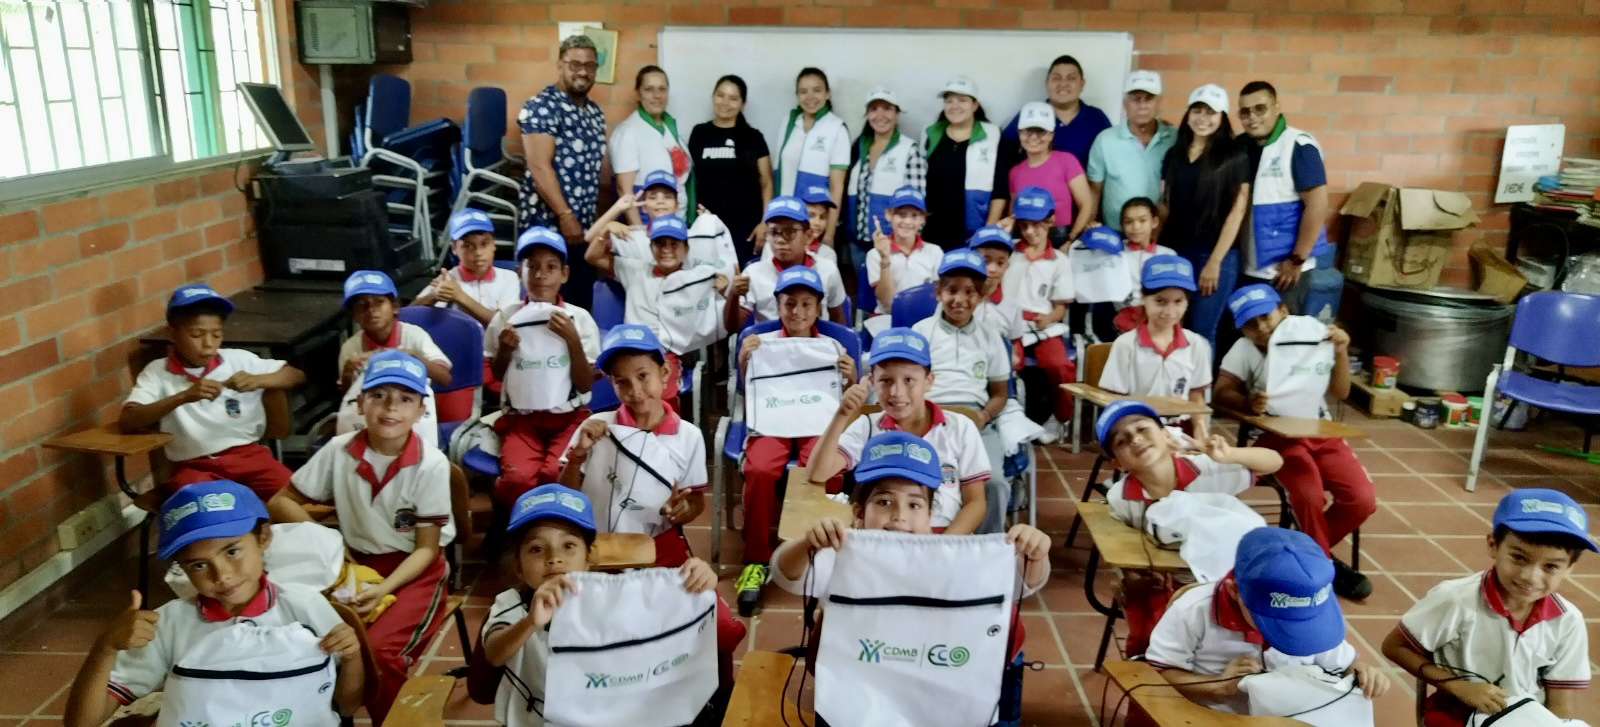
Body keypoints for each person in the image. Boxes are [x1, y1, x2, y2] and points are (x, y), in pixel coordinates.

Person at [64, 481, 363, 727]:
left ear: (264, 538)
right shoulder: (168, 624)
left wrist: (351, 657)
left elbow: (347, 705)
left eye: (232, 552)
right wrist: (105, 648)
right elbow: (81, 723)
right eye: (197, 565)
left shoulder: (305, 607)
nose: (221, 576)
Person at [270, 351, 455, 724]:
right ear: (360, 402)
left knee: (381, 655)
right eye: (379, 395)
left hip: (412, 573)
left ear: (422, 411)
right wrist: (327, 544)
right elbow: (281, 501)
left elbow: (426, 550)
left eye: (405, 399)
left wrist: (384, 586)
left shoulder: (431, 464)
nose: (391, 407)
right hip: (351, 565)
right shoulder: (339, 451)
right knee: (315, 647)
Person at [471, 485, 723, 726]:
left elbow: (667, 623)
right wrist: (529, 623)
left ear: (588, 558)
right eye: (536, 549)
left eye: (568, 546)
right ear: (518, 566)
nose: (553, 558)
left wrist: (698, 583)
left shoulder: (611, 599)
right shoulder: (512, 605)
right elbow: (493, 654)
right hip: (536, 720)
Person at [1214, 284, 1376, 600]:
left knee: (1362, 498)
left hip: (1318, 429)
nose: (1261, 327)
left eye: (1266, 317)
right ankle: (1320, 571)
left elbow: (1341, 393)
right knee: (1309, 494)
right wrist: (1248, 402)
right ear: (1240, 329)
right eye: (1250, 323)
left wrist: (1340, 351)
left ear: (1284, 312)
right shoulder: (1244, 350)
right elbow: (1220, 394)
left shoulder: (1313, 336)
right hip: (1276, 436)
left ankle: (1304, 554)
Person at [1382, 488, 1593, 725]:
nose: (1530, 577)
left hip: (1526, 716)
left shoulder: (1568, 621)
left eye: (1551, 567)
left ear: (1570, 568)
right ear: (1493, 545)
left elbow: (1560, 702)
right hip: (1457, 714)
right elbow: (1395, 647)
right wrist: (1460, 687)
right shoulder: (1455, 599)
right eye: (1519, 558)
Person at [1095, 401, 1282, 656]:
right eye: (1122, 441)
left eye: (1143, 429)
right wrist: (1130, 576)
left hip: (1225, 583)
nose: (1136, 440)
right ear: (1119, 464)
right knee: (1150, 627)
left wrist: (1230, 455)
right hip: (1169, 585)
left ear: (1166, 434)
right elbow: (1121, 546)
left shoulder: (1206, 469)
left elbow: (1275, 461)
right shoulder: (1121, 497)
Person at [773, 429, 1050, 599]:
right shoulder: (843, 553)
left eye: (914, 505)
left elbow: (1018, 586)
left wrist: (1035, 554)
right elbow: (785, 575)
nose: (899, 516)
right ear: (858, 513)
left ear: (930, 516)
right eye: (883, 502)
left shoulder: (952, 559)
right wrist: (807, 543)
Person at [1145, 527, 1390, 715]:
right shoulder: (1193, 610)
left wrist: (1363, 671)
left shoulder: (1315, 615)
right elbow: (1158, 673)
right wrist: (1219, 686)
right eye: (1276, 621)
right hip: (1210, 716)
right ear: (1235, 592)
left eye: (1302, 624)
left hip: (1285, 715)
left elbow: (1343, 662)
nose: (1291, 631)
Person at [121, 284, 305, 518]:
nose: (208, 344)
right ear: (172, 334)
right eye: (196, 335)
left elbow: (295, 375)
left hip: (250, 458)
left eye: (216, 334)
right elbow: (129, 420)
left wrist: (260, 379)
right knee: (208, 517)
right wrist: (183, 397)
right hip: (195, 467)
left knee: (298, 501)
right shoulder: (157, 373)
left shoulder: (238, 359)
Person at [732, 266, 854, 612]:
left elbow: (846, 397)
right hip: (773, 422)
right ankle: (755, 561)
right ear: (778, 306)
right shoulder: (759, 342)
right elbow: (749, 392)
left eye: (806, 304)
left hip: (818, 423)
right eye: (789, 304)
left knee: (825, 469)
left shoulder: (833, 345)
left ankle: (821, 550)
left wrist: (851, 376)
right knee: (759, 471)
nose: (797, 312)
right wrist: (744, 363)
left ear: (818, 308)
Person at [806, 328, 989, 534]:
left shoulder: (960, 427)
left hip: (945, 536)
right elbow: (817, 473)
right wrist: (842, 414)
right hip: (883, 535)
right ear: (872, 382)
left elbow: (975, 502)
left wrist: (942, 547)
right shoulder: (867, 426)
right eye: (886, 381)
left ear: (929, 381)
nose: (897, 393)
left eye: (909, 380)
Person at [558, 324, 706, 566]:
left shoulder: (688, 436)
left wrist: (684, 509)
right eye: (622, 382)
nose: (635, 391)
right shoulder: (596, 426)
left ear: (665, 372)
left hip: (656, 541)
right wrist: (578, 455)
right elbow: (566, 496)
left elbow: (696, 499)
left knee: (691, 597)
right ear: (611, 384)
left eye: (642, 376)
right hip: (597, 541)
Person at [484, 227, 600, 508]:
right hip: (521, 420)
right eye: (531, 267)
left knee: (556, 475)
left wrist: (572, 340)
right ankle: (517, 532)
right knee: (518, 480)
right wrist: (506, 349)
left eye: (550, 267)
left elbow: (585, 384)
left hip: (569, 417)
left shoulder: (579, 319)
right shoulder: (505, 318)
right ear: (519, 272)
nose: (540, 275)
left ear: (565, 274)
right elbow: (497, 375)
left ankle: (556, 533)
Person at [912, 249, 1015, 535]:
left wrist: (984, 415)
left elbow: (1000, 393)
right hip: (928, 421)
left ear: (981, 295)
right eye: (952, 290)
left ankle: (986, 553)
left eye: (969, 292)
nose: (960, 300)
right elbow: (909, 385)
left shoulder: (990, 336)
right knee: (916, 478)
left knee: (993, 483)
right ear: (938, 292)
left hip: (976, 425)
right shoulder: (921, 332)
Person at [587, 212, 728, 413]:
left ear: (686, 249)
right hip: (629, 347)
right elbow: (592, 256)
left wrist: (722, 293)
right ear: (651, 248)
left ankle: (664, 437)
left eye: (674, 244)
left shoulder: (696, 280)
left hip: (663, 352)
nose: (667, 250)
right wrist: (606, 230)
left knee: (659, 392)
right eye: (660, 244)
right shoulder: (636, 270)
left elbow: (713, 319)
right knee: (620, 388)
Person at [1159, 84, 1252, 349]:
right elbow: (1165, 205)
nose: (1203, 119)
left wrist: (1215, 262)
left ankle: (1199, 391)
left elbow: (1237, 211)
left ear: (1222, 117)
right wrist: (1152, 245)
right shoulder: (1174, 154)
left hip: (1214, 256)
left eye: (1211, 113)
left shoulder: (1234, 156)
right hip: (1176, 251)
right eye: (1197, 111)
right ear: (1188, 114)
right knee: (1171, 327)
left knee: (1201, 332)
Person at [519, 34, 607, 307]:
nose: (583, 71)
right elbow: (539, 167)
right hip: (548, 224)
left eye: (590, 65)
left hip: (582, 229)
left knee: (579, 304)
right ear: (560, 65)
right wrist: (565, 215)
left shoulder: (595, 112)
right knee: (545, 303)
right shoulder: (541, 107)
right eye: (575, 64)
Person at [1236, 80, 1335, 305]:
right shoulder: (1240, 146)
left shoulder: (1298, 145)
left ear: (1276, 107)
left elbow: (1317, 205)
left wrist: (1297, 259)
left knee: (1279, 333)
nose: (1252, 117)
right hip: (1246, 263)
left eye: (1260, 108)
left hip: (1283, 270)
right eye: (1245, 112)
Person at [1099, 255, 1212, 438]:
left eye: (1178, 302)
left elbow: (1195, 395)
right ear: (1143, 298)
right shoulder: (1126, 345)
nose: (1169, 312)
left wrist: (1201, 431)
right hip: (1137, 427)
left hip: (1182, 428)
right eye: (1160, 301)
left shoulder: (1196, 344)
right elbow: (1114, 400)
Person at [336, 270, 451, 447]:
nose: (372, 311)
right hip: (372, 421)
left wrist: (414, 357)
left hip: (413, 419)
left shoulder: (414, 336)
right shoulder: (351, 348)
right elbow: (348, 399)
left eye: (379, 303)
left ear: (395, 307)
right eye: (362, 306)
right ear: (354, 315)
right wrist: (347, 374)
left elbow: (445, 378)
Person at [1002, 186, 1076, 442]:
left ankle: (1061, 418)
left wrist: (1050, 318)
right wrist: (1000, 234)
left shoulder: (1059, 261)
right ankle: (1010, 420)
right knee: (1008, 364)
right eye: (1024, 225)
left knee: (1059, 365)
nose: (1030, 232)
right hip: (1010, 322)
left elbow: (1059, 307)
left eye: (1036, 225)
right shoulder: (1007, 252)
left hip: (1042, 324)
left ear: (1051, 221)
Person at [998, 54, 1112, 199]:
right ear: (1046, 84)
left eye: (1071, 78)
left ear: (1082, 84)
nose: (1063, 84)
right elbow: (1005, 159)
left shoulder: (1096, 118)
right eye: (1056, 78)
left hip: (1085, 206)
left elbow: (1108, 166)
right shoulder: (1029, 116)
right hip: (1035, 209)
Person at [728, 196, 847, 332]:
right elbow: (733, 327)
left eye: (789, 232)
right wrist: (733, 294)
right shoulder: (754, 273)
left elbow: (838, 320)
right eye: (773, 232)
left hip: (815, 347)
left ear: (808, 236)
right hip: (770, 348)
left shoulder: (827, 269)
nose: (780, 240)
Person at [689, 74, 773, 260]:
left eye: (733, 98)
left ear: (742, 103)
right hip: (708, 224)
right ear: (713, 97)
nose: (725, 102)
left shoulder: (754, 137)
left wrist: (764, 223)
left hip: (747, 227)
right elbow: (690, 180)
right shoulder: (699, 134)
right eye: (720, 95)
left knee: (743, 283)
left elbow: (766, 183)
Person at [1085, 70, 1177, 232]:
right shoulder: (1105, 140)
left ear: (1159, 101)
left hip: (1164, 234)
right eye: (1136, 99)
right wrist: (1089, 228)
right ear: (1125, 103)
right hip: (1116, 234)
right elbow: (1094, 191)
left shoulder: (1175, 138)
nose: (1142, 106)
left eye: (1149, 99)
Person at [923, 77, 1003, 250]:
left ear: (975, 105)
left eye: (962, 100)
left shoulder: (993, 135)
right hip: (934, 230)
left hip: (974, 230)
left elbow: (1000, 188)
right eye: (949, 100)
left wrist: (988, 230)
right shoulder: (930, 133)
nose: (954, 106)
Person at [997, 101, 1092, 246]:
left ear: (1051, 135)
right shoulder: (1015, 172)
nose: (1033, 137)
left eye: (1040, 131)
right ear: (1019, 134)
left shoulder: (1067, 161)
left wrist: (1070, 240)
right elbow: (1014, 214)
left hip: (1060, 236)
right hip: (1026, 237)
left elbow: (1086, 204)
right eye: (1027, 131)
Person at [774, 67, 850, 248]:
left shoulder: (836, 128)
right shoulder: (790, 122)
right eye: (803, 91)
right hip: (785, 217)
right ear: (797, 95)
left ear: (827, 94)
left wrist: (829, 234)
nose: (810, 97)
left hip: (815, 226)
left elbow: (836, 187)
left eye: (817, 90)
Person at [846, 87, 927, 253]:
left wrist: (910, 247)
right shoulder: (859, 147)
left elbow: (918, 204)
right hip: (858, 243)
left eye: (887, 108)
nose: (880, 116)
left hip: (894, 245)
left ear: (896, 113)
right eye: (874, 109)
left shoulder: (909, 150)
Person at [609, 65, 691, 225]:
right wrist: (639, 235)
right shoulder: (629, 131)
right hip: (648, 225)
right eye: (649, 89)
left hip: (675, 221)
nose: (657, 95)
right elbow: (623, 191)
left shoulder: (670, 128)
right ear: (638, 94)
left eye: (662, 89)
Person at [414, 210, 523, 326]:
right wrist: (433, 296)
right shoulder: (448, 280)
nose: (478, 253)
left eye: (484, 244)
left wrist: (460, 296)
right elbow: (407, 317)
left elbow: (504, 326)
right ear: (454, 248)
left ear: (494, 245)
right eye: (468, 246)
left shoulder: (509, 278)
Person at [864, 186, 941, 324]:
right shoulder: (874, 254)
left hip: (925, 319)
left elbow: (939, 298)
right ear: (889, 215)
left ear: (923, 219)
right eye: (901, 215)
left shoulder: (934, 252)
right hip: (888, 319)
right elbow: (887, 302)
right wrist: (885, 258)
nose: (907, 222)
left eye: (914, 216)